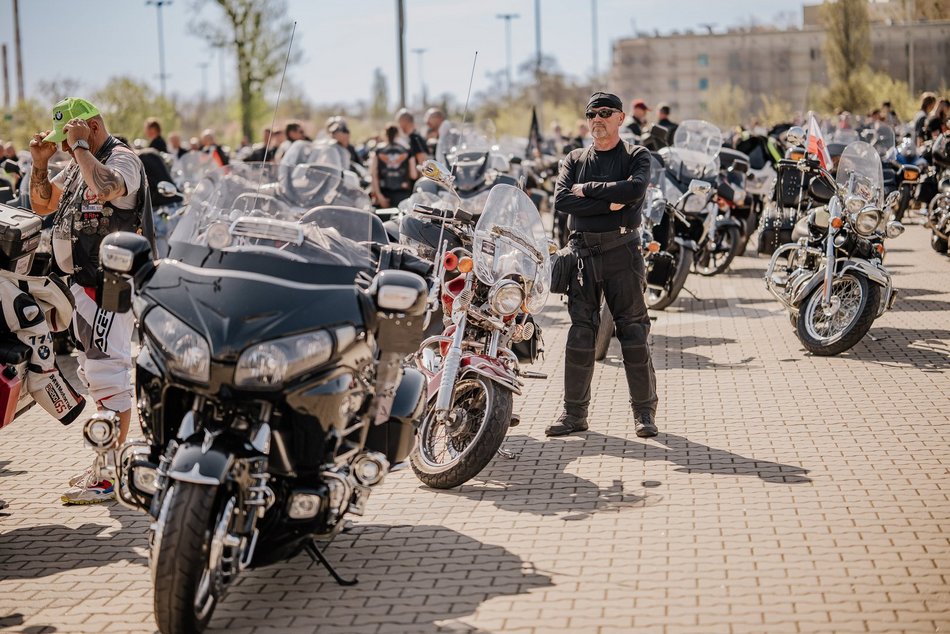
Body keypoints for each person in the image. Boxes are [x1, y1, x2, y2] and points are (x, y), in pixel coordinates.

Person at [28, 97, 154, 504]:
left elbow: (107, 188)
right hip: (84, 286)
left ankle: (111, 474)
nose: (65, 147)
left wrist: (81, 147)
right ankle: (104, 463)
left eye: (69, 138)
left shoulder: (121, 159)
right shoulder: (78, 162)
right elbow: (42, 204)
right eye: (62, 141)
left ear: (92, 126)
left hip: (110, 287)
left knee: (108, 374)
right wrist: (40, 163)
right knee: (93, 371)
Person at [549, 91, 658, 439]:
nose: (597, 118)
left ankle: (644, 414)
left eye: (605, 112)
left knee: (633, 333)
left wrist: (589, 191)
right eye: (592, 113)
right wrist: (608, 201)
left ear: (621, 118)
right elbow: (562, 200)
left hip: (623, 253)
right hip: (581, 256)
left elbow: (635, 190)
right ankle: (574, 415)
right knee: (581, 335)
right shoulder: (575, 157)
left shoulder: (636, 155)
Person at [371, 122, 418, 209]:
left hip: (384, 195)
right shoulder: (407, 150)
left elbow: (373, 175)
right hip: (403, 195)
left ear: (385, 134)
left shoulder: (378, 150)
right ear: (398, 134)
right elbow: (413, 175)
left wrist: (379, 196)